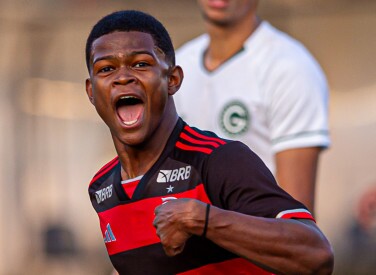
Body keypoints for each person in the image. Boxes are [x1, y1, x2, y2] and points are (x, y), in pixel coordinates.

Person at [84, 10, 333, 275]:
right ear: (91, 91)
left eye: (141, 64)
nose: (123, 77)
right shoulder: (102, 188)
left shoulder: (219, 160)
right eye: (106, 69)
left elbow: (317, 256)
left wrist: (204, 220)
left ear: (173, 80)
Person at [175, 0, 330, 213]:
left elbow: (297, 220)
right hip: (188, 240)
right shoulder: (179, 65)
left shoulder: (291, 67)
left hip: (254, 240)